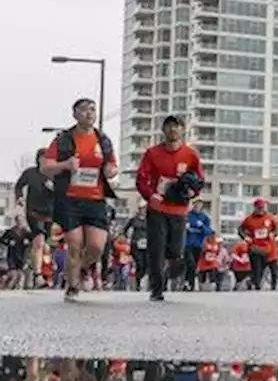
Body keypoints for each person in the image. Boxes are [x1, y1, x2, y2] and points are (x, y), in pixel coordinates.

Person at [41, 98, 119, 300]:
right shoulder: (63, 139)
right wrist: (65, 165)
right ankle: (72, 286)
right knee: (75, 243)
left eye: (92, 110)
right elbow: (45, 167)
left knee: (96, 247)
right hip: (70, 199)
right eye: (84, 110)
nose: (89, 113)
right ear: (75, 114)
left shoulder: (102, 139)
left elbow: (112, 165)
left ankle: (82, 269)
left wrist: (111, 171)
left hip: (95, 199)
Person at [135, 115, 204, 301]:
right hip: (158, 209)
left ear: (182, 130)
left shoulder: (190, 155)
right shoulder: (152, 153)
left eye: (177, 126)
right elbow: (141, 178)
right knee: (156, 250)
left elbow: (199, 181)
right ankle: (157, 289)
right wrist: (151, 196)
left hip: (179, 210)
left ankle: (168, 272)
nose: (173, 130)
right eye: (169, 126)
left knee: (176, 250)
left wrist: (191, 192)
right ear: (163, 130)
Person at [15, 149, 55, 279]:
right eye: (43, 158)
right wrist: (20, 197)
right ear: (38, 159)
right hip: (34, 212)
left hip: (50, 213)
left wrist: (54, 188)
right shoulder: (30, 173)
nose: (45, 161)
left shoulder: (54, 174)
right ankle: (38, 275)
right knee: (39, 242)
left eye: (48, 158)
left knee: (45, 244)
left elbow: (64, 192)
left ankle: (33, 263)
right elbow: (19, 185)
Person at [238, 199, 278, 290]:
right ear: (255, 208)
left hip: (267, 247)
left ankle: (253, 281)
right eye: (259, 208)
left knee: (264, 268)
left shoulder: (270, 218)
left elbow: (276, 230)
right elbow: (240, 229)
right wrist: (245, 237)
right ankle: (257, 286)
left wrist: (273, 234)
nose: (260, 210)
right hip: (254, 246)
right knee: (256, 267)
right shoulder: (249, 219)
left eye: (262, 208)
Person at [183, 198, 213, 291]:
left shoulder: (204, 218)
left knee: (194, 265)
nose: (198, 205)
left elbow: (208, 232)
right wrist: (185, 228)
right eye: (196, 203)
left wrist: (201, 226)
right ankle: (188, 282)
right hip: (187, 244)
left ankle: (189, 284)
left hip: (198, 245)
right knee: (190, 263)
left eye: (200, 204)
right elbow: (180, 228)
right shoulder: (187, 215)